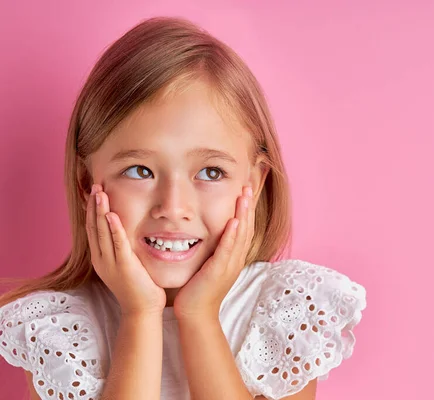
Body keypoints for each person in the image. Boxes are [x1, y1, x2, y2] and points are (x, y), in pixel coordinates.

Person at [0, 16, 366, 400]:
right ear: (85, 183)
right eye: (139, 171)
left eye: (210, 172)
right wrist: (139, 315)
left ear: (254, 185)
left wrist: (200, 317)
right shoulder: (58, 332)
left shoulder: (285, 314)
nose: (174, 208)